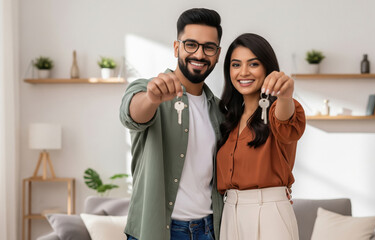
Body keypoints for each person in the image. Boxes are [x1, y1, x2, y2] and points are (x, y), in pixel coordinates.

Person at [119, 8, 224, 240]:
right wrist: (152, 98)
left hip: (208, 231)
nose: (199, 54)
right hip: (155, 231)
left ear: (217, 54)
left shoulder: (219, 110)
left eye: (208, 47)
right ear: (177, 47)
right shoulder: (147, 89)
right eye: (191, 45)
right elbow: (132, 114)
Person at [216, 33, 306, 240]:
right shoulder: (228, 120)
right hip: (229, 214)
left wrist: (285, 94)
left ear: (267, 68)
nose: (244, 72)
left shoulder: (278, 109)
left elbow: (286, 116)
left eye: (253, 64)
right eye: (236, 65)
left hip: (269, 215)